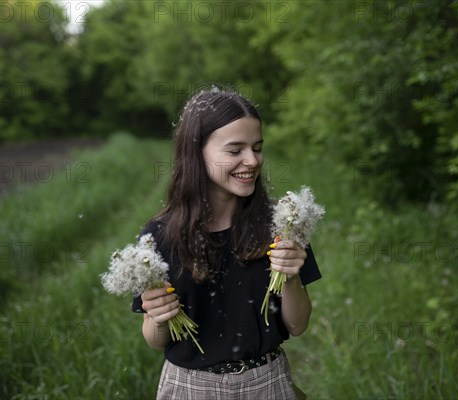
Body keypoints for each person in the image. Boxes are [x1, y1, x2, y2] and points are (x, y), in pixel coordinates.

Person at [131, 87, 321, 399]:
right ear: (196, 152)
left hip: (267, 381)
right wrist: (157, 315)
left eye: (257, 148)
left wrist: (290, 276)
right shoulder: (160, 236)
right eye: (235, 151)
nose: (252, 160)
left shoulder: (282, 223)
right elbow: (156, 341)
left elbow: (298, 325)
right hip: (189, 387)